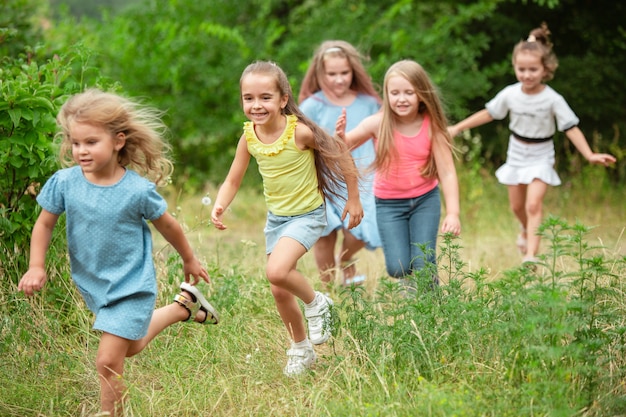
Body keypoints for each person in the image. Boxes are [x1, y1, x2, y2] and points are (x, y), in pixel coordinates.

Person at [17, 89, 219, 417]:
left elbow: (169, 227)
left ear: (118, 141)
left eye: (90, 142)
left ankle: (111, 413)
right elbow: (43, 225)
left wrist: (189, 258)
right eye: (75, 142)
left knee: (108, 360)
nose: (80, 150)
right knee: (132, 346)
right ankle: (183, 307)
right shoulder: (64, 183)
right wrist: (36, 266)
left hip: (131, 284)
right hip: (95, 284)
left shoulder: (137, 191)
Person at [211, 61, 363, 376]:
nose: (256, 105)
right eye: (248, 98)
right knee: (279, 289)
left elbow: (340, 153)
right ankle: (300, 349)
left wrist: (354, 198)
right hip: (277, 219)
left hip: (307, 216)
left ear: (283, 99)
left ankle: (318, 303)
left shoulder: (300, 132)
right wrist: (220, 204)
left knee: (277, 271)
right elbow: (233, 179)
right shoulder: (249, 138)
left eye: (265, 97)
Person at [447, 23, 616, 264]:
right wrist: (457, 127)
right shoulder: (510, 94)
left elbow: (571, 127)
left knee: (533, 204)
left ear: (545, 69)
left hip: (541, 154)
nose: (527, 75)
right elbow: (489, 113)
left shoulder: (553, 99)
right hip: (516, 152)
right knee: (517, 207)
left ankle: (530, 256)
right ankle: (526, 231)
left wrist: (589, 154)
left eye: (533, 69)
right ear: (515, 67)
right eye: (521, 69)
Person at [336, 59, 461, 285]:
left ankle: (431, 309)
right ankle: (410, 285)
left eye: (409, 93)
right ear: (386, 94)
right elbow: (343, 146)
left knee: (424, 261)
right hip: (389, 204)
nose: (401, 99)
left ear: (421, 94)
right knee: (397, 268)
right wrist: (341, 137)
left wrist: (453, 213)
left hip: (425, 200)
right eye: (395, 93)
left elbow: (448, 172)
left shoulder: (432, 126)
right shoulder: (378, 123)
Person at [299, 40, 382, 288]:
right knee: (325, 235)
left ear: (353, 72)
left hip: (364, 176)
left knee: (361, 229)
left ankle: (345, 260)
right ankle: (328, 288)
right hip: (324, 179)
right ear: (320, 74)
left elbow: (382, 134)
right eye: (332, 74)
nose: (339, 79)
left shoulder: (369, 103)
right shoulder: (312, 105)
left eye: (344, 73)